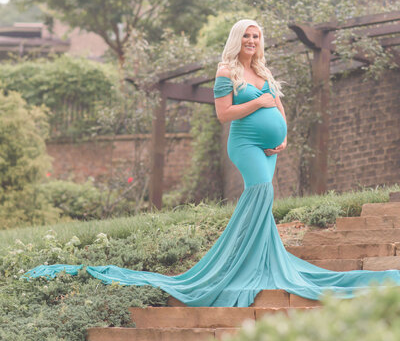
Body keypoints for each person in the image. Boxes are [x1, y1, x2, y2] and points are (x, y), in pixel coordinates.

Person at [26, 19, 400, 306]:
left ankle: (262, 262)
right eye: (246, 36)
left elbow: (279, 105)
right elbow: (225, 115)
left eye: (256, 36)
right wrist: (257, 105)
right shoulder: (228, 72)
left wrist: (283, 136)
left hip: (269, 148)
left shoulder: (264, 72)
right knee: (260, 193)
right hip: (245, 144)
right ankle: (236, 269)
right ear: (237, 40)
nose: (252, 41)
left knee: (264, 201)